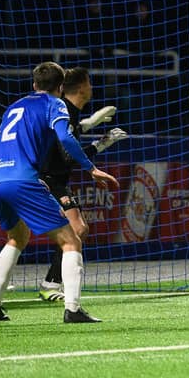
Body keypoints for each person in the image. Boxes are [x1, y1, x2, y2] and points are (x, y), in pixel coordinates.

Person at [0, 62, 119, 324]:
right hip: (23, 180)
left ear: (34, 84)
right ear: (60, 87)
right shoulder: (54, 103)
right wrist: (91, 169)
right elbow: (66, 139)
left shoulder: (14, 106)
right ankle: (73, 308)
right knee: (71, 240)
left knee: (18, 236)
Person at [38, 67, 128, 301]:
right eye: (89, 83)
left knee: (77, 230)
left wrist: (90, 123)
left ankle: (51, 283)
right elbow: (67, 155)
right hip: (46, 180)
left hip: (53, 179)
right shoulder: (64, 109)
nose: (91, 87)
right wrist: (101, 144)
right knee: (76, 230)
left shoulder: (69, 111)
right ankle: (51, 285)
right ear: (80, 88)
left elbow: (69, 139)